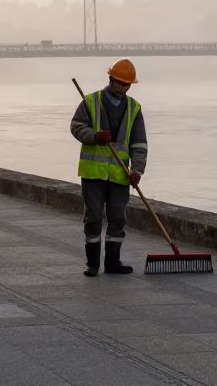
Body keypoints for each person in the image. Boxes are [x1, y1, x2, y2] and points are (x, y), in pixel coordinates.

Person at [69, 59, 148, 277]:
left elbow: (139, 143)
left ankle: (113, 262)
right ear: (111, 79)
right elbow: (76, 127)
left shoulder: (134, 108)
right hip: (93, 172)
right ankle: (92, 264)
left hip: (120, 174)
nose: (123, 88)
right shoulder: (90, 101)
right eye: (120, 83)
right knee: (93, 217)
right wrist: (94, 136)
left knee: (117, 218)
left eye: (127, 85)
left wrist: (137, 171)